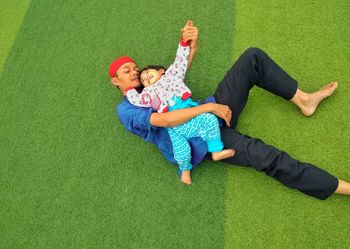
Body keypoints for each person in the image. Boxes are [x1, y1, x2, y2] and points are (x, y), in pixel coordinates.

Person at [110, 20, 350, 200]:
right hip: (200, 139)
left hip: (211, 111)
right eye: (127, 71)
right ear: (115, 81)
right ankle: (339, 186)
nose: (134, 72)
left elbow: (175, 75)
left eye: (135, 68)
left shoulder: (151, 86)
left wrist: (191, 45)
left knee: (252, 58)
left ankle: (304, 100)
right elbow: (165, 120)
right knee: (265, 156)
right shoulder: (129, 109)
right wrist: (210, 107)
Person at [123, 31, 235, 185]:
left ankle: (216, 151)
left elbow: (180, 60)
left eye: (148, 73)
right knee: (181, 151)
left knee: (210, 120)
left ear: (161, 71)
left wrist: (184, 42)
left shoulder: (172, 76)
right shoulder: (149, 94)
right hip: (175, 129)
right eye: (143, 80)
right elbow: (138, 99)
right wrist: (129, 90)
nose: (145, 78)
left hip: (192, 119)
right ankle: (185, 170)